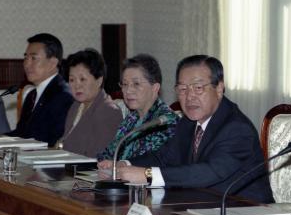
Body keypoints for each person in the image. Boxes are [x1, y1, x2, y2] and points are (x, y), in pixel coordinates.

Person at [103, 55, 274, 203]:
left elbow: (209, 172)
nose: (189, 96)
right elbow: (163, 157)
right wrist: (124, 164)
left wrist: (148, 175)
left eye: (198, 88)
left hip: (245, 214)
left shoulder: (236, 127)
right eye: (183, 89)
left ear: (219, 88)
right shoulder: (188, 122)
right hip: (201, 205)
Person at [97, 54, 178, 162]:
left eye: (136, 84)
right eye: (125, 84)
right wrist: (103, 163)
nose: (128, 90)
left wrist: (117, 166)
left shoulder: (166, 121)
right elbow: (109, 153)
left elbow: (148, 161)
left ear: (155, 88)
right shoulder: (131, 119)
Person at [7, 33, 73, 146]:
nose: (26, 64)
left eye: (33, 58)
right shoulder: (31, 95)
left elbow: (54, 141)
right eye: (25, 58)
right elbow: (21, 134)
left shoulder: (63, 96)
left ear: (52, 63)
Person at [57, 49, 123, 158]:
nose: (77, 86)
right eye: (72, 80)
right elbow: (64, 141)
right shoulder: (76, 106)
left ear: (99, 80)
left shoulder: (109, 111)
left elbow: (98, 157)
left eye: (82, 79)